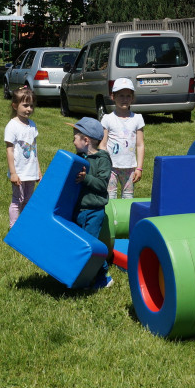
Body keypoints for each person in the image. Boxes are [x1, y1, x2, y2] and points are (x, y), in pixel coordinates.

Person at [70, 117, 113, 290]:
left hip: (94, 210)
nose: (72, 141)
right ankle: (81, 275)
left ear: (86, 140)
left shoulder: (103, 160)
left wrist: (86, 178)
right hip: (79, 209)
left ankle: (103, 277)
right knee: (80, 243)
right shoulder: (79, 158)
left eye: (75, 137)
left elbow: (102, 185)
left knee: (90, 244)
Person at [99, 78, 145, 198]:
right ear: (113, 96)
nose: (124, 99)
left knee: (128, 197)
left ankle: (127, 217)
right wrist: (103, 165)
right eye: (121, 96)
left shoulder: (137, 118)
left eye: (128, 96)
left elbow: (140, 145)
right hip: (111, 167)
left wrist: (139, 168)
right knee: (110, 197)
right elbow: (102, 145)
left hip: (129, 168)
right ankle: (110, 217)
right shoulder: (107, 119)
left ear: (132, 97)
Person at [5, 86, 40, 228]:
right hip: (19, 171)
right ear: (15, 105)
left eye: (31, 106)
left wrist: (38, 170)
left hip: (30, 171)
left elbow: (34, 149)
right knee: (17, 200)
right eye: (25, 105)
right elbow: (10, 151)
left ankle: (24, 225)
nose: (29, 109)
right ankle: (14, 227)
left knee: (28, 199)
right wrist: (13, 173)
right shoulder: (12, 126)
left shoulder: (32, 125)